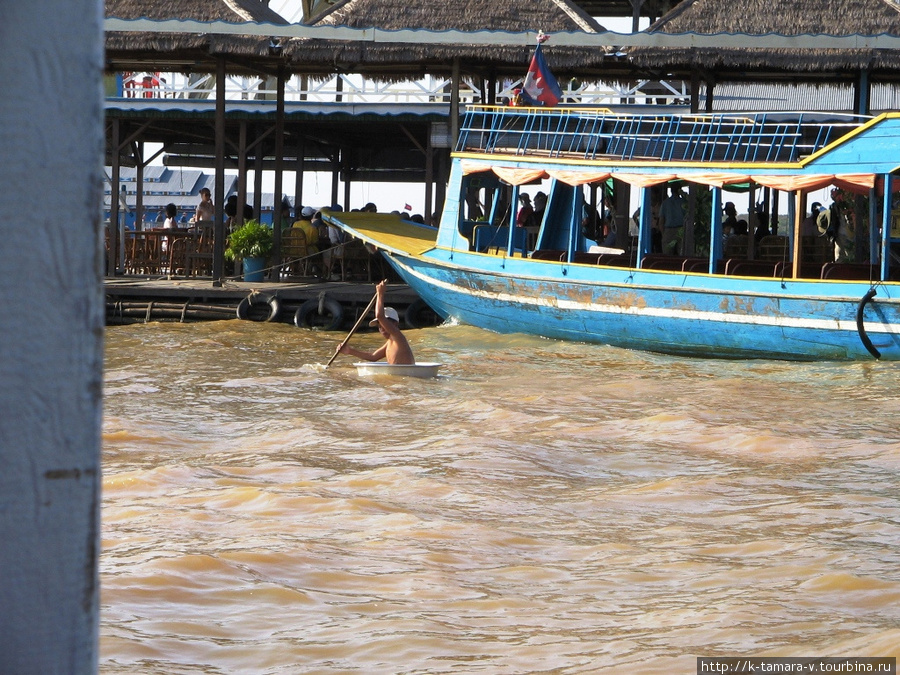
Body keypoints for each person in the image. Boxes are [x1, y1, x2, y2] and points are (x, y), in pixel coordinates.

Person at [337, 280, 415, 365]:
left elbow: (380, 316)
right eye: (379, 326)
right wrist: (350, 351)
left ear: (395, 324)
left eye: (384, 324)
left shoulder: (398, 336)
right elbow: (373, 357)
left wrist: (380, 294)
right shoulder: (390, 342)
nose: (382, 329)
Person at [817, 188, 854, 262]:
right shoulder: (835, 207)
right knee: (843, 257)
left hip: (845, 234)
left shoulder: (846, 205)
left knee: (845, 257)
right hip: (842, 234)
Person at [658, 185, 685, 255]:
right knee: (682, 254)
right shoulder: (684, 202)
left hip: (669, 230)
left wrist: (664, 234)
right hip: (681, 230)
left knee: (667, 255)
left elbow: (661, 221)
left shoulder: (665, 203)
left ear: (671, 191)